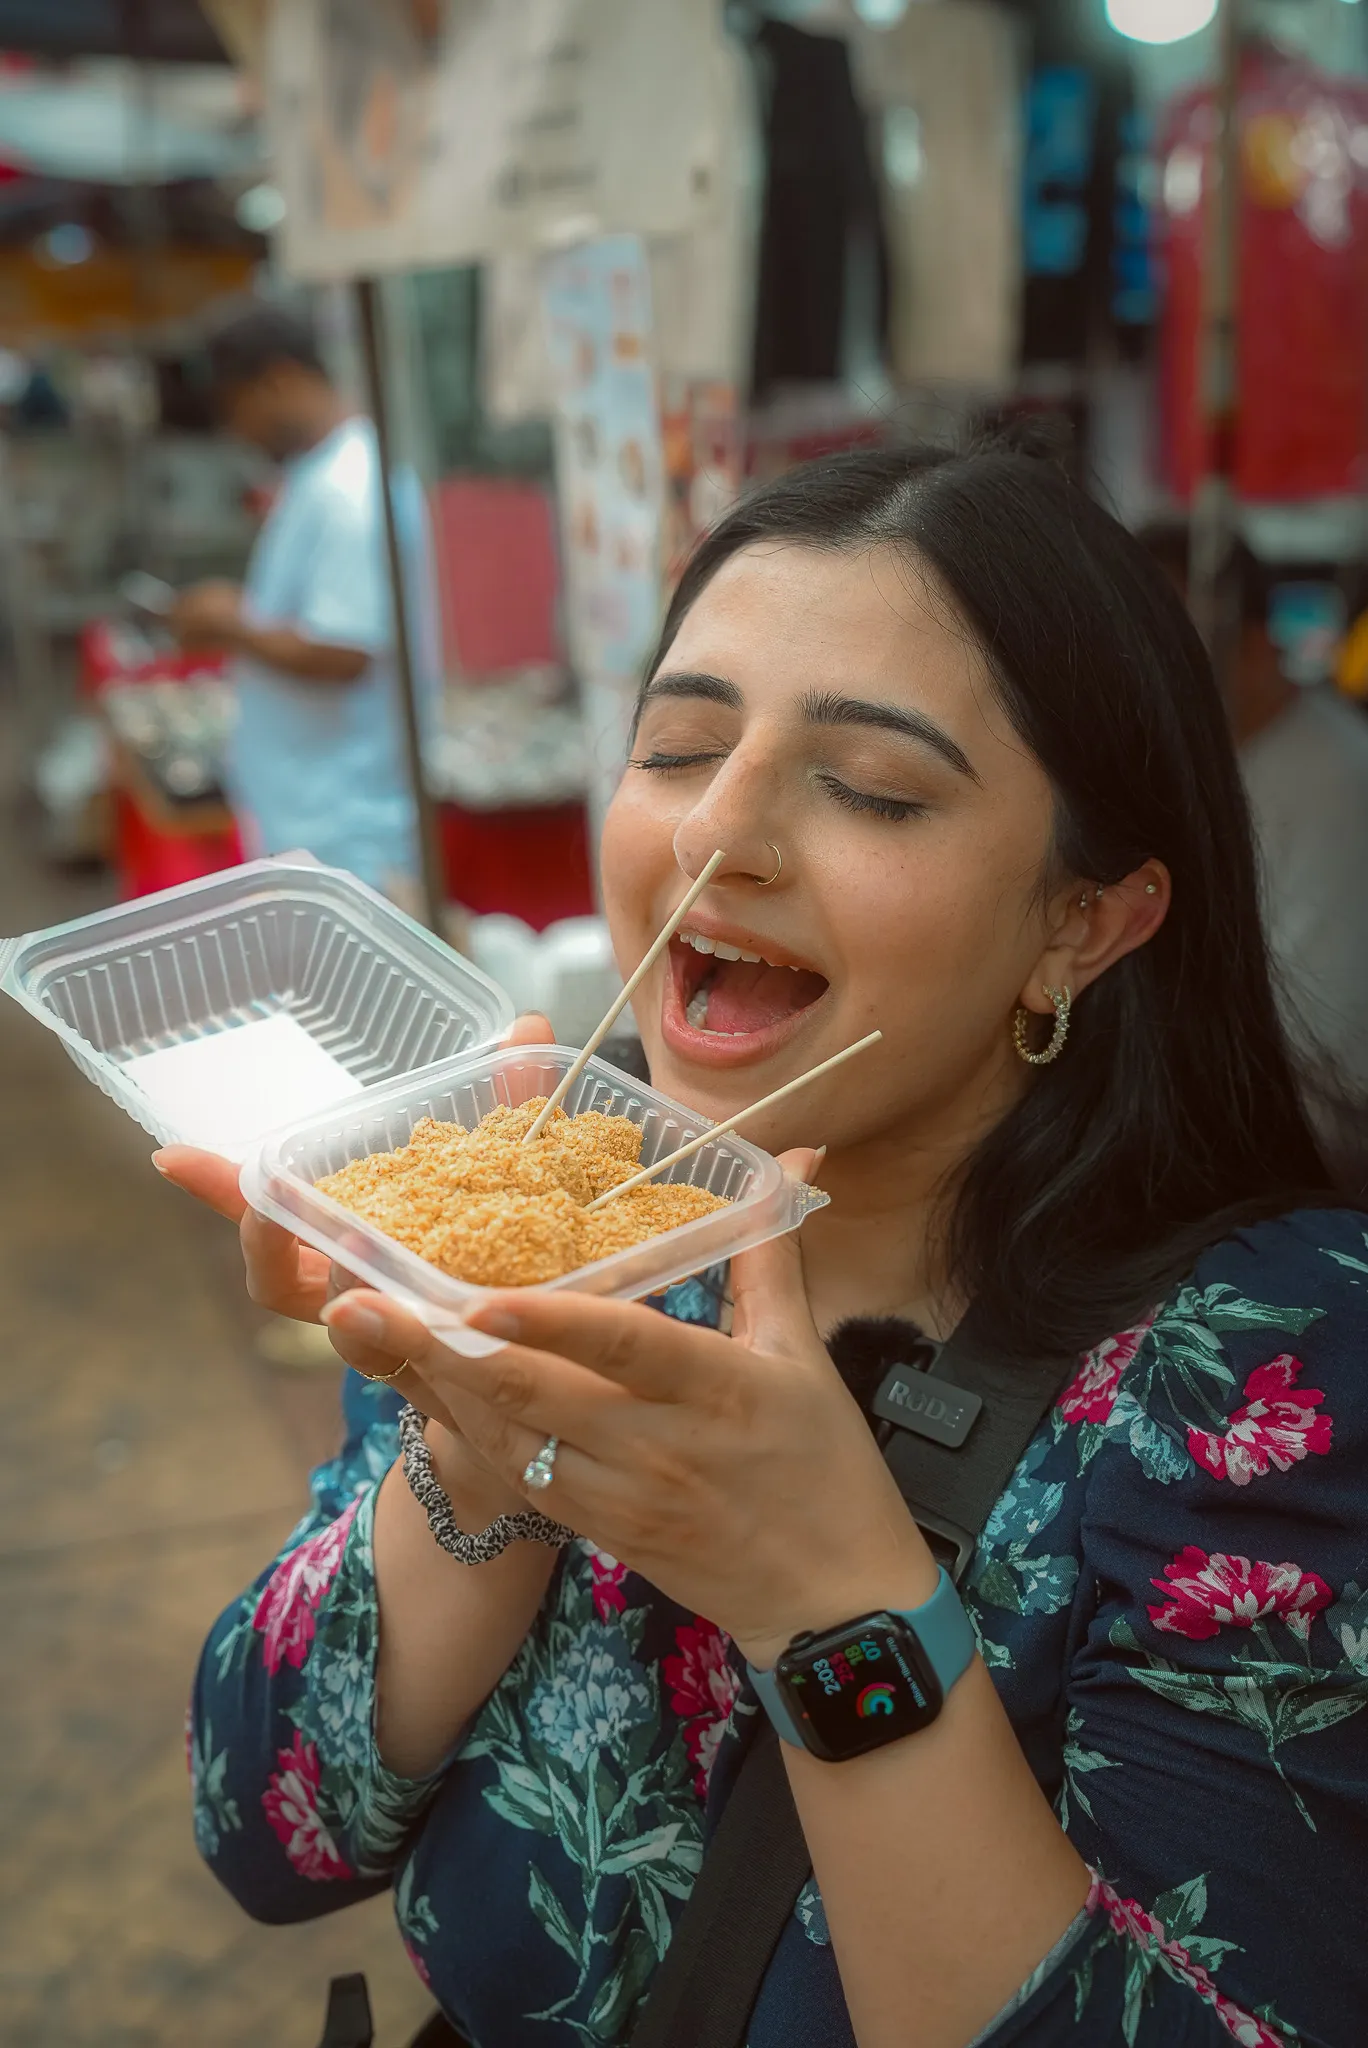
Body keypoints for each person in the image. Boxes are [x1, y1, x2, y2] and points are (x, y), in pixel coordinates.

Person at [160, 440, 1367, 2048]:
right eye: (676, 748)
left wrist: (825, 1601)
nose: (718, 834)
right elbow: (271, 1832)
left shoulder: (1275, 1373)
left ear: (1084, 921)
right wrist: (476, 1452)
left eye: (869, 787)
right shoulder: (545, 1214)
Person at [168, 300, 440, 899]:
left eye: (236, 410)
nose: (237, 432)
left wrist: (230, 623)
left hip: (348, 825)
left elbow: (344, 651)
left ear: (279, 380)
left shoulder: (351, 488)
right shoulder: (319, 479)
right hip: (315, 815)